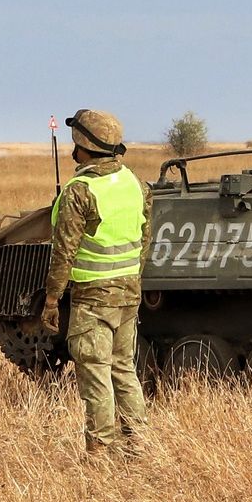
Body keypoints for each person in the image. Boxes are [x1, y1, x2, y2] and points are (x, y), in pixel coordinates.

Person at [41, 108, 153, 454]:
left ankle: (101, 453)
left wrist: (50, 300)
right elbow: (145, 239)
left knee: (95, 374)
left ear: (82, 146)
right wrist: (130, 278)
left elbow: (64, 252)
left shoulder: (80, 190)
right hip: (128, 292)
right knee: (123, 369)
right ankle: (139, 444)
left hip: (92, 297)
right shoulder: (135, 183)